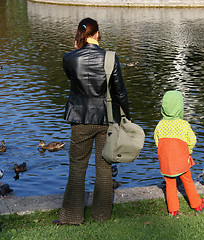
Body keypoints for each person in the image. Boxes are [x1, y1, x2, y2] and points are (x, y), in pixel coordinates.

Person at [53, 18, 130, 225]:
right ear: (97, 34)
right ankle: (102, 215)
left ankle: (71, 216)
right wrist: (127, 117)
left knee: (77, 167)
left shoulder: (69, 58)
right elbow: (120, 92)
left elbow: (74, 81)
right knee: (104, 167)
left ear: (80, 34)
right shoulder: (111, 58)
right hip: (105, 119)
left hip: (79, 119)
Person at [154, 90, 204, 217]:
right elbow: (192, 140)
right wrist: (188, 151)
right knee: (187, 180)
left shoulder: (160, 125)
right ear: (180, 107)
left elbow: (157, 141)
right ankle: (197, 204)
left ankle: (173, 209)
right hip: (181, 160)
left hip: (166, 161)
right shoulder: (183, 125)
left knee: (170, 184)